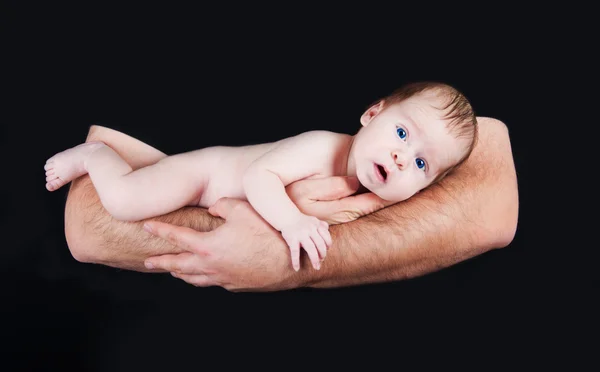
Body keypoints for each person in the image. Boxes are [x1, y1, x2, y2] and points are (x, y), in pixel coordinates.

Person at [62, 100, 518, 293]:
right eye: (401, 133)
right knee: (123, 202)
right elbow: (262, 177)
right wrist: (291, 224)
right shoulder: (323, 146)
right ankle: (97, 155)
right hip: (201, 177)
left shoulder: (374, 182)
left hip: (212, 199)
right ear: (370, 113)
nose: (402, 157)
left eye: (421, 164)